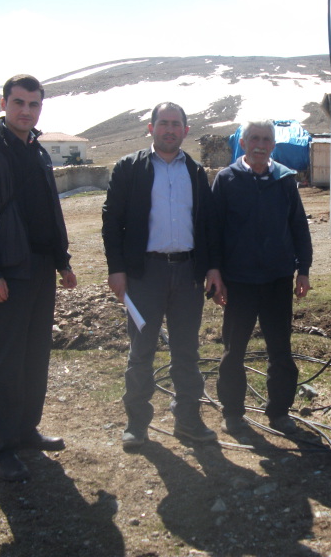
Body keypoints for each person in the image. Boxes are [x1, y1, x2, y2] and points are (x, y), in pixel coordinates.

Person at [0, 74, 77, 482]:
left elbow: (49, 212)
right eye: (19, 103)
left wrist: (63, 261)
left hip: (42, 268)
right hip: (8, 272)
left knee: (36, 354)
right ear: (4, 103)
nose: (26, 111)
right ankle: (2, 447)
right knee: (8, 361)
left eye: (34, 104)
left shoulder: (39, 151)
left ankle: (26, 430)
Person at [102, 102, 222, 449]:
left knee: (186, 351)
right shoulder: (130, 168)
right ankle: (137, 425)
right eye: (163, 123)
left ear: (186, 130)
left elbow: (208, 225)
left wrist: (212, 266)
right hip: (144, 275)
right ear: (151, 128)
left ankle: (187, 420)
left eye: (176, 124)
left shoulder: (196, 173)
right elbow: (112, 222)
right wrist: (117, 270)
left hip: (187, 274)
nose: (169, 129)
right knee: (142, 351)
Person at [211, 120, 313, 436]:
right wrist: (214, 271)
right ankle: (232, 413)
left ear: (273, 145)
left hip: (277, 279)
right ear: (242, 143)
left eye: (266, 139)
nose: (260, 144)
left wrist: (304, 269)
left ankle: (279, 412)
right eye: (254, 138)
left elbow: (298, 226)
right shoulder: (226, 179)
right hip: (238, 281)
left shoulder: (285, 180)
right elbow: (212, 231)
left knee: (280, 350)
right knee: (233, 351)